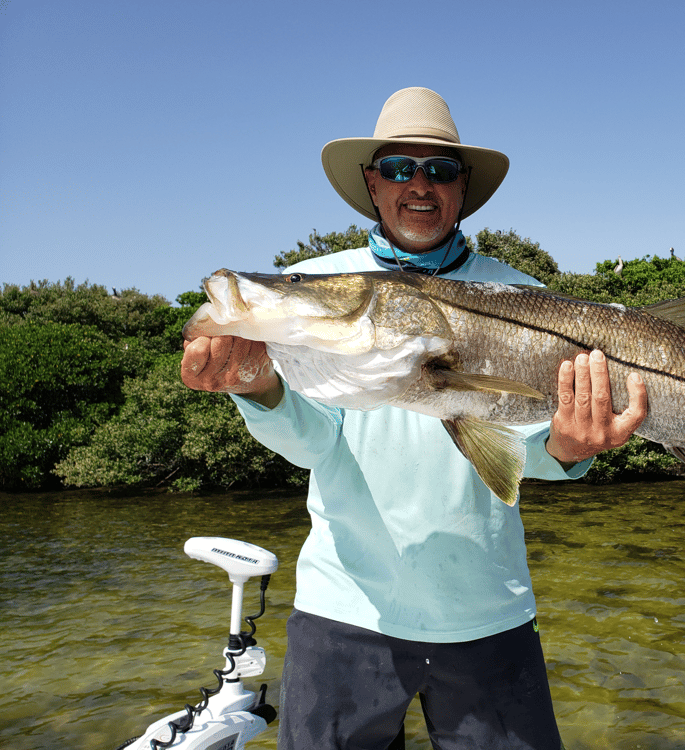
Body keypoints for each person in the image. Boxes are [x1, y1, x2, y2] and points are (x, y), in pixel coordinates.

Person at [181, 87, 647, 750]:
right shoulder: (313, 283)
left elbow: (536, 450)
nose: (419, 185)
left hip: (488, 615)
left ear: (464, 187)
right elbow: (315, 441)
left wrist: (572, 451)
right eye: (399, 168)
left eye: (440, 170)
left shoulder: (527, 298)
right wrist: (256, 387)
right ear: (373, 184)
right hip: (344, 613)